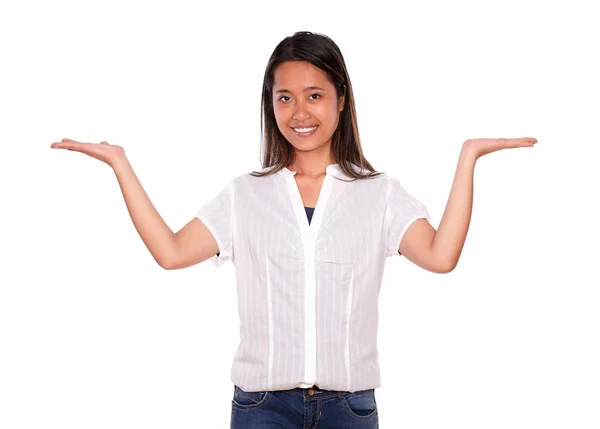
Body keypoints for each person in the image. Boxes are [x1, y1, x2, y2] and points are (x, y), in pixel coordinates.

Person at [50, 30, 538, 429]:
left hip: (350, 408)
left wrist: (467, 157)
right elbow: (171, 251)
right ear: (271, 104)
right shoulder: (246, 194)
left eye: (314, 96)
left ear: (341, 101)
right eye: (285, 98)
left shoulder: (379, 193)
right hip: (262, 407)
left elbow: (440, 255)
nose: (300, 112)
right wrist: (120, 164)